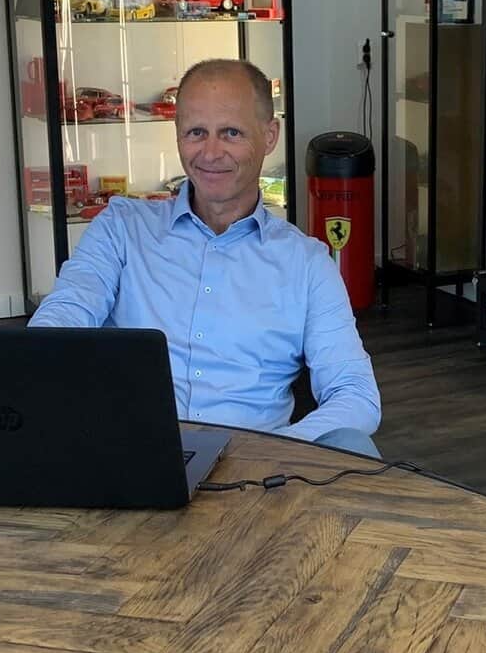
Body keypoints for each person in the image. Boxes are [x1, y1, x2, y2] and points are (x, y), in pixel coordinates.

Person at [28, 58, 381, 457]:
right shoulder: (122, 228)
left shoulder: (307, 263)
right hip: (129, 456)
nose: (211, 153)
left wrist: (272, 451)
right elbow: (66, 314)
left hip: (256, 469)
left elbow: (356, 394)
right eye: (196, 132)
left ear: (269, 136)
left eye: (231, 133)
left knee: (356, 445)